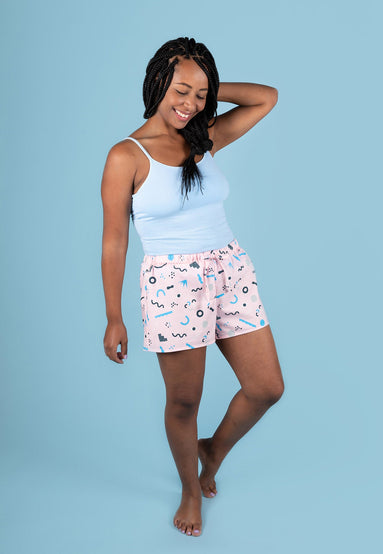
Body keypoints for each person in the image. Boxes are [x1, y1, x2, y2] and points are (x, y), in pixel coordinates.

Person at [101, 37, 284, 537]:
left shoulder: (204, 138)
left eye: (201, 95)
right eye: (180, 90)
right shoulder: (126, 155)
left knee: (266, 388)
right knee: (184, 402)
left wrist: (207, 89)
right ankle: (189, 490)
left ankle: (212, 451)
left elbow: (266, 97)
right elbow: (115, 241)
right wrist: (114, 316)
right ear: (157, 83)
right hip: (173, 284)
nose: (190, 104)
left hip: (229, 269)